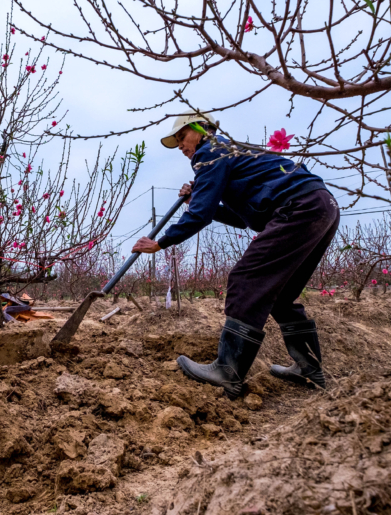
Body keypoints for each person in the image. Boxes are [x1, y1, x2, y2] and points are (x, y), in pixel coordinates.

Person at [132, 111, 340, 399]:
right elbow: (240, 218)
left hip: (298, 207)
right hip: (321, 205)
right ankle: (309, 368)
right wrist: (198, 197)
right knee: (280, 295)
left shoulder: (211, 153)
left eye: (182, 136)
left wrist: (162, 242)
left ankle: (227, 371)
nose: (180, 145)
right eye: (177, 141)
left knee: (246, 279)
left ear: (202, 130)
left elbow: (200, 215)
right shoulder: (230, 153)